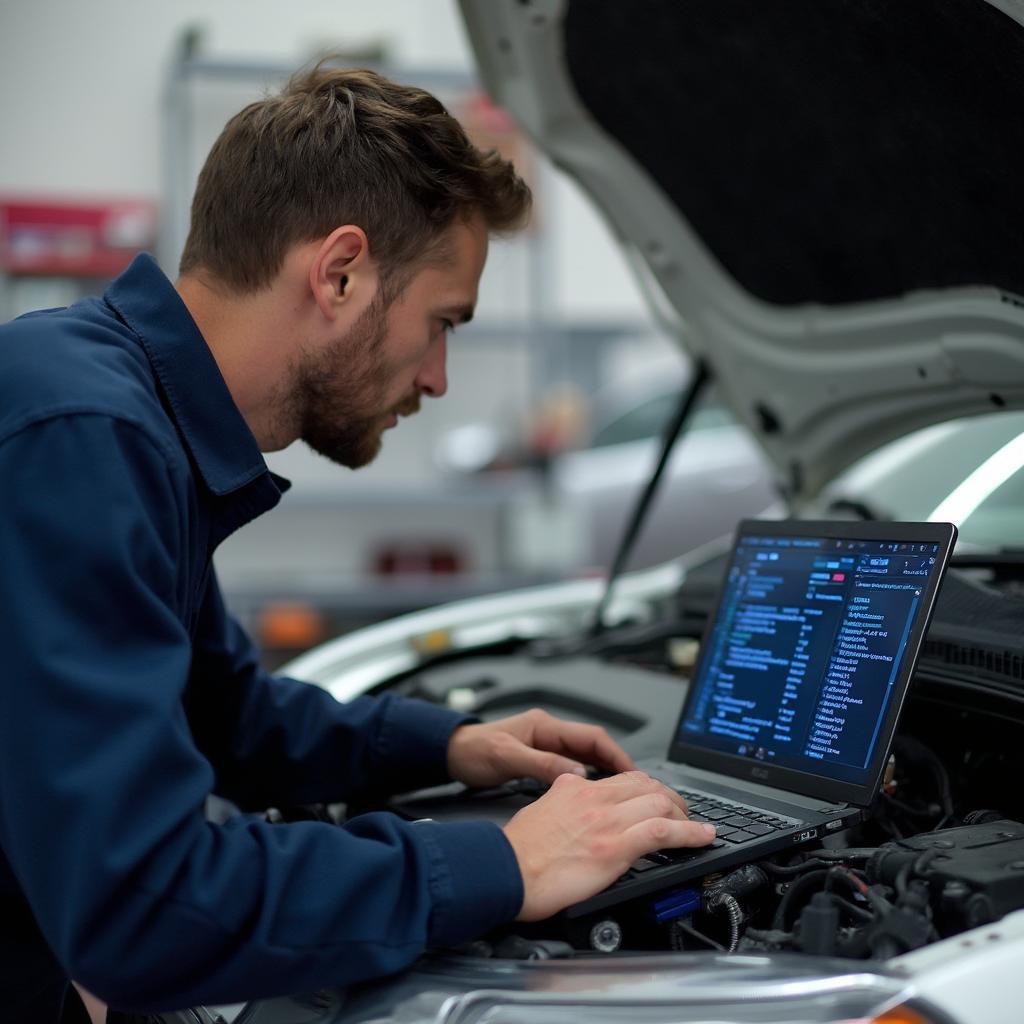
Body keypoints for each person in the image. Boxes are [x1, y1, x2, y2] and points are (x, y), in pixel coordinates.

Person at [0, 65, 715, 1022]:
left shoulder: (125, 415)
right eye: (441, 324)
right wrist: (507, 860)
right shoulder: (85, 436)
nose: (439, 378)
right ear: (341, 273)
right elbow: (145, 906)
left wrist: (453, 745)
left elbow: (227, 718)